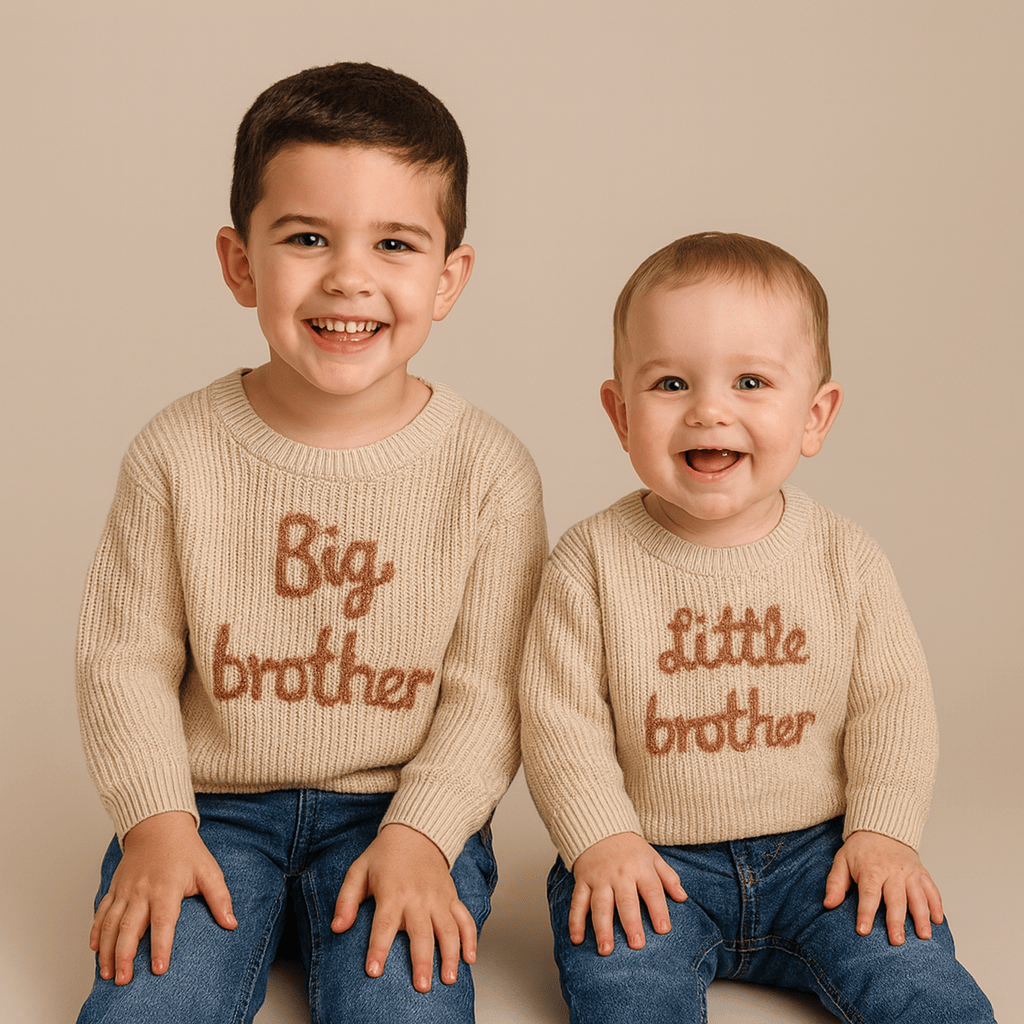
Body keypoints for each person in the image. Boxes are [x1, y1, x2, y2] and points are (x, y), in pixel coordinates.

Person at [75, 62, 547, 1024]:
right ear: (239, 262)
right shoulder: (177, 451)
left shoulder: (488, 470)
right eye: (306, 238)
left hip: (398, 812)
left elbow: (491, 692)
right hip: (210, 809)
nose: (349, 277)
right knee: (152, 1001)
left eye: (395, 243)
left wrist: (426, 833)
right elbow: (123, 659)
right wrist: (155, 823)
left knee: (403, 1004)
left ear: (448, 278)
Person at [519, 232, 995, 1022]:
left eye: (750, 381)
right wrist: (601, 840)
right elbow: (558, 723)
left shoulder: (845, 557)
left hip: (823, 857)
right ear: (621, 414)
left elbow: (892, 707)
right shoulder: (590, 562)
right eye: (671, 382)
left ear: (815, 415)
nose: (710, 409)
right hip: (651, 858)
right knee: (626, 988)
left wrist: (883, 833)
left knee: (916, 978)